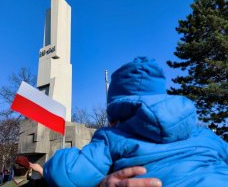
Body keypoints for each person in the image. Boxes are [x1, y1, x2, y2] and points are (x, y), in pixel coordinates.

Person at [42, 57, 228, 187]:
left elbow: (69, 174)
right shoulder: (204, 134)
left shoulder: (112, 137)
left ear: (116, 109)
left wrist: (55, 161)